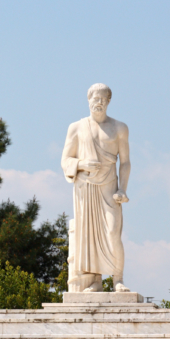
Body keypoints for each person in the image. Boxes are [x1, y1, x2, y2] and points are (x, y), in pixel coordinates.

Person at [61, 83, 131, 293]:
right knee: (88, 236)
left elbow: (125, 162)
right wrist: (81, 164)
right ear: (88, 100)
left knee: (112, 232)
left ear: (108, 101)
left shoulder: (119, 128)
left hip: (109, 187)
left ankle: (117, 279)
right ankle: (95, 281)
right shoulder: (76, 127)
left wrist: (122, 189)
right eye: (95, 99)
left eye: (103, 99)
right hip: (85, 188)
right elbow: (65, 160)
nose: (98, 103)